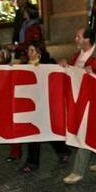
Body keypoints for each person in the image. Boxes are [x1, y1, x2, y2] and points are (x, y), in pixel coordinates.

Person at [61, 27, 96, 185]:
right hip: (80, 101)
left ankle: (78, 171)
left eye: (78, 37)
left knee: (84, 135)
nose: (75, 39)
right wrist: (65, 65)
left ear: (87, 40)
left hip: (93, 103)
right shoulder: (77, 55)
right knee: (93, 134)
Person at [20, 41, 71, 173]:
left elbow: (59, 74)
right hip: (32, 106)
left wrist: (63, 64)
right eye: (28, 50)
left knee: (47, 132)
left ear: (39, 52)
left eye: (32, 50)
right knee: (34, 134)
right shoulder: (23, 66)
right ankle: (33, 162)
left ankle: (63, 151)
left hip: (46, 104)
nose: (29, 53)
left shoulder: (49, 64)